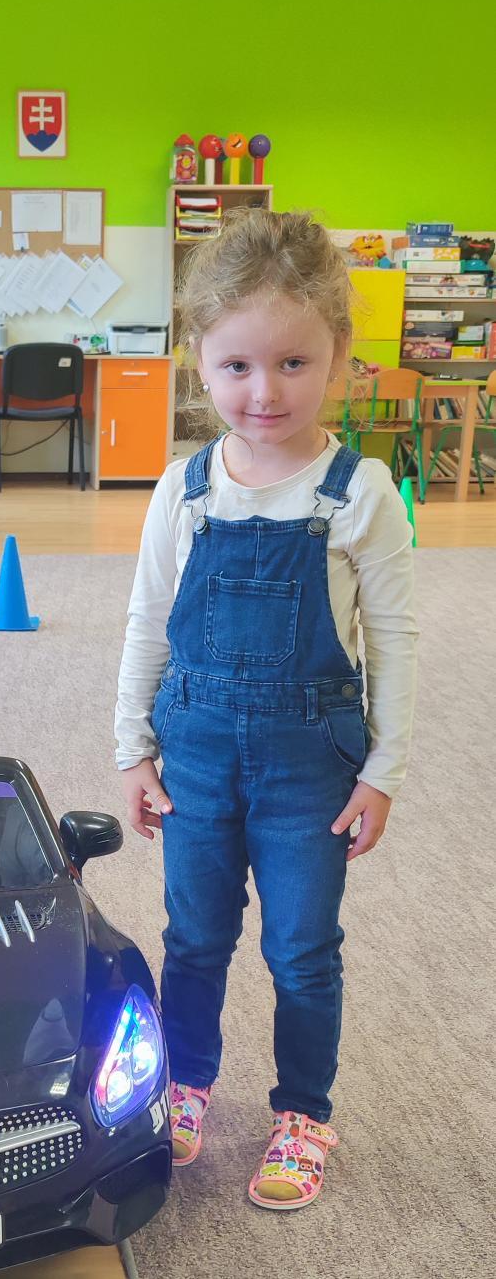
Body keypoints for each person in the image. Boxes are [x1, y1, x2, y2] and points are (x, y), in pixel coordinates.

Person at [115, 210, 418, 1210]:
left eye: (294, 363)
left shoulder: (361, 493)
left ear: (338, 358)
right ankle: (184, 1085)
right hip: (196, 755)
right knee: (193, 938)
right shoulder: (184, 489)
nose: (264, 391)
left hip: (309, 769)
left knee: (301, 951)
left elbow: (395, 643)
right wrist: (133, 749)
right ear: (198, 361)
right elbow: (148, 621)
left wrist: (382, 772)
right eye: (237, 365)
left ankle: (302, 1112)